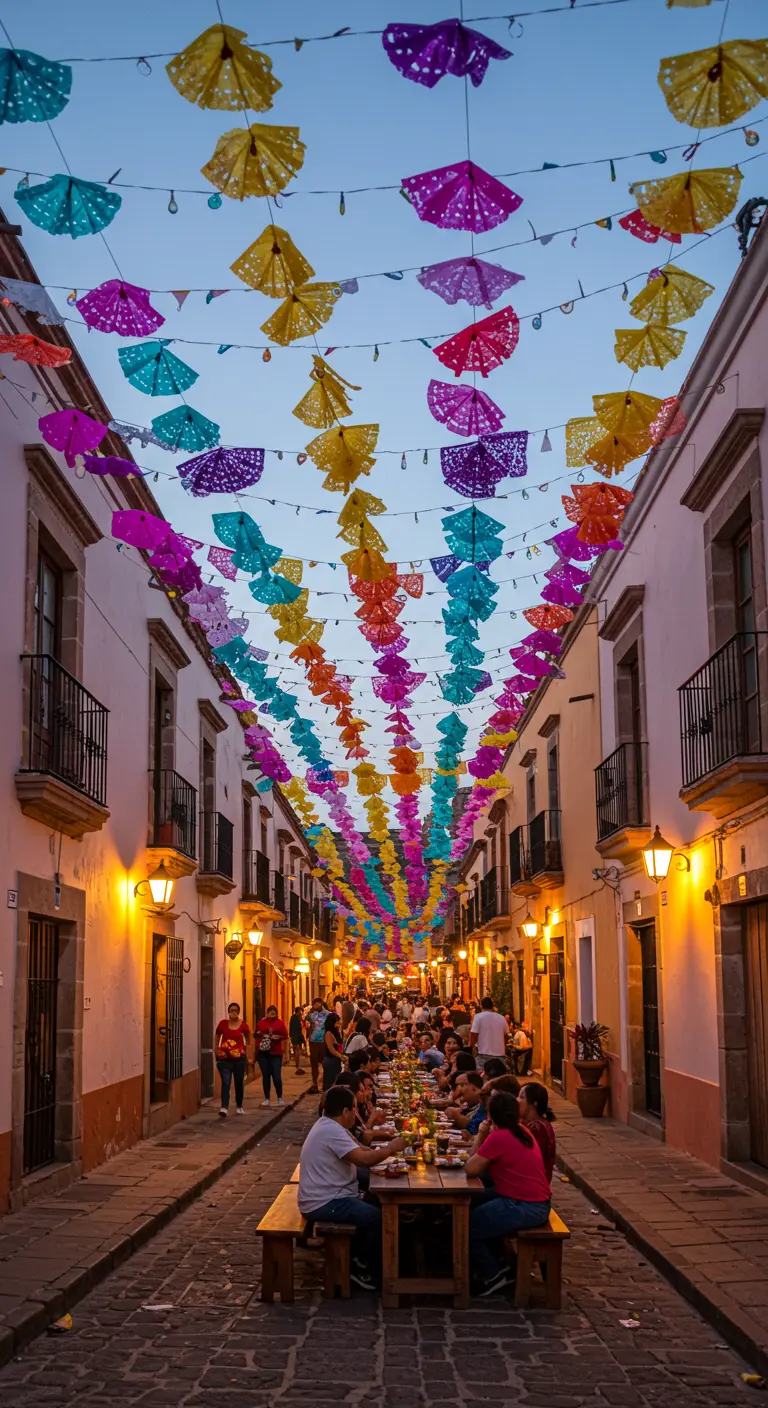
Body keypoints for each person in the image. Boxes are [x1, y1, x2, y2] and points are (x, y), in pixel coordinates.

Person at [298, 1085, 407, 1289]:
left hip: (332, 1193)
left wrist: (387, 1148)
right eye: (355, 1109)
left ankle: (365, 1256)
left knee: (378, 1201)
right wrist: (392, 1148)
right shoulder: (330, 1130)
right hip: (325, 1201)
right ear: (346, 1111)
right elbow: (363, 1159)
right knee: (381, 1218)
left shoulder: (331, 1126)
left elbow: (362, 1148)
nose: (357, 1113)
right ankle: (363, 1269)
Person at [466, 1092, 551, 1296]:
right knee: (475, 1203)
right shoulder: (520, 1130)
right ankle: (499, 1260)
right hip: (535, 1201)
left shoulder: (500, 1136)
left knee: (467, 1224)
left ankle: (492, 1274)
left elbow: (471, 1168)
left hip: (525, 1205)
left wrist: (481, 1133)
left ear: (491, 1115)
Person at [215, 1002, 251, 1117]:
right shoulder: (223, 1024)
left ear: (238, 1012)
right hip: (225, 1059)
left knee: (238, 1083)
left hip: (239, 1059)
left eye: (235, 1010)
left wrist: (247, 1054)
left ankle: (239, 1106)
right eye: (231, 1010)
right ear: (228, 1011)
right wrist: (216, 1050)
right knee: (226, 1083)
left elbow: (249, 1040)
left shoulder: (243, 1025)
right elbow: (217, 1036)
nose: (233, 1012)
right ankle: (224, 1107)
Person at [519, 1081, 557, 1182]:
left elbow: (529, 1163)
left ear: (534, 1104)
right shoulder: (525, 1123)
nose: (517, 1100)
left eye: (522, 1097)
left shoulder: (537, 1129)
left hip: (530, 1186)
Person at [255, 1004, 289, 1107]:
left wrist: (278, 1038)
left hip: (276, 1053)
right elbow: (256, 1035)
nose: (272, 1014)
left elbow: (285, 1036)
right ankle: (267, 1098)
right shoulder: (261, 1023)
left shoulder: (280, 1023)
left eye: (274, 1012)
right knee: (266, 1075)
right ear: (267, 1013)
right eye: (270, 1012)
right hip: (263, 1053)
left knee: (276, 1076)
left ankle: (280, 1097)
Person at [470, 996, 509, 1070]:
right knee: (498, 1078)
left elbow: (473, 1034)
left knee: (482, 1077)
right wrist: (504, 1048)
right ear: (492, 1006)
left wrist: (472, 1048)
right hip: (500, 1055)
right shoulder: (501, 1018)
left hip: (483, 1054)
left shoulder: (478, 1017)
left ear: (481, 1006)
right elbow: (506, 1035)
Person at [306, 997, 328, 1093]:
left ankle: (324, 1084)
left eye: (318, 1003)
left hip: (324, 1042)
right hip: (313, 1042)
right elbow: (307, 1026)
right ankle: (315, 1083)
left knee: (325, 1064)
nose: (317, 1005)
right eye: (315, 1004)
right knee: (314, 1064)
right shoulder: (310, 1015)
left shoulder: (327, 1014)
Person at [322, 1011, 344, 1089]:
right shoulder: (328, 1033)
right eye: (337, 1023)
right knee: (330, 1083)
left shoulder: (337, 1032)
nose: (338, 1025)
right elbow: (331, 1050)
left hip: (336, 1060)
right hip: (330, 1060)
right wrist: (341, 1057)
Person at [289, 1006, 306, 1074]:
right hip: (296, 1036)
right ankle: (297, 1065)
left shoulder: (296, 1017)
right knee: (297, 1050)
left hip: (295, 1036)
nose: (301, 1013)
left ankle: (298, 1065)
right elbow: (297, 1028)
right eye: (301, 1011)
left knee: (297, 1050)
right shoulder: (296, 1018)